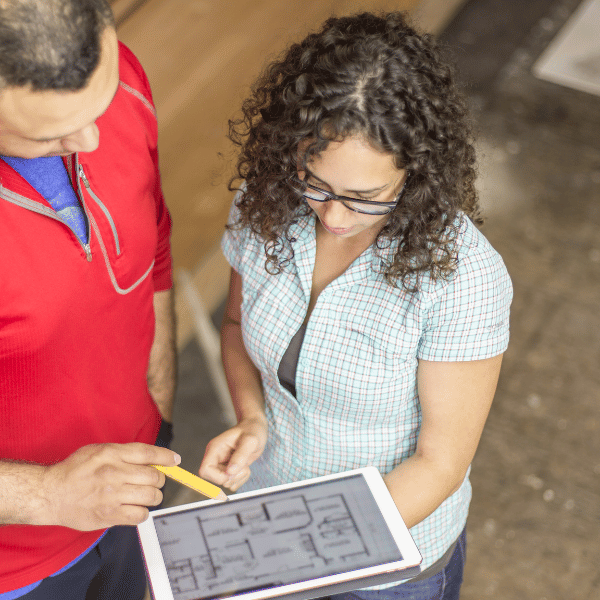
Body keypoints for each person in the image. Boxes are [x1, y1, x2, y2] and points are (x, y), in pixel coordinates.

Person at [199, 11, 513, 600]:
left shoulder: (464, 278)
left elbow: (439, 464)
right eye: (315, 184)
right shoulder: (264, 205)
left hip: (387, 561)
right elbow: (238, 324)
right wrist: (251, 417)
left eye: (365, 198)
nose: (334, 218)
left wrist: (303, 547)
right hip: (267, 512)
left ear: (417, 172)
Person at [0, 1, 181, 598]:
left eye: (102, 100)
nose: (93, 137)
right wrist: (48, 494)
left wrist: (158, 399)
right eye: (49, 134)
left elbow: (152, 238)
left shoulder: (108, 77)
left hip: (130, 492)